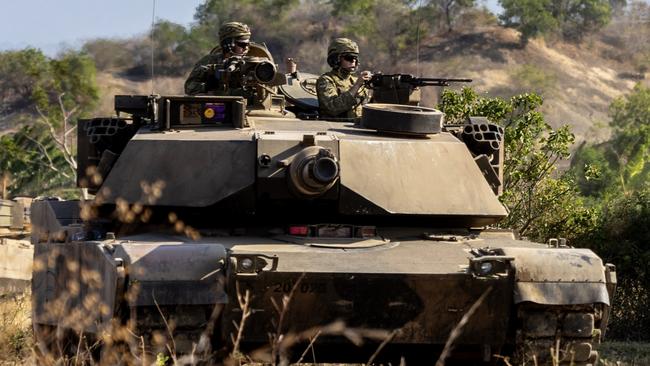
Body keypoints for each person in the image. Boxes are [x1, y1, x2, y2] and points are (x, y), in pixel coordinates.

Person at [184, 22, 252, 95]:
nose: (246, 48)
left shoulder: (253, 63)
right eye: (242, 44)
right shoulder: (209, 61)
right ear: (227, 44)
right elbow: (188, 88)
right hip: (217, 104)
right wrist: (206, 86)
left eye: (248, 44)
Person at [316, 38, 372, 119]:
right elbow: (332, 108)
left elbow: (370, 107)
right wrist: (356, 86)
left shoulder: (356, 81)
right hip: (335, 127)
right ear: (336, 59)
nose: (353, 61)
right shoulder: (326, 80)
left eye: (355, 58)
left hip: (357, 127)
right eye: (349, 57)